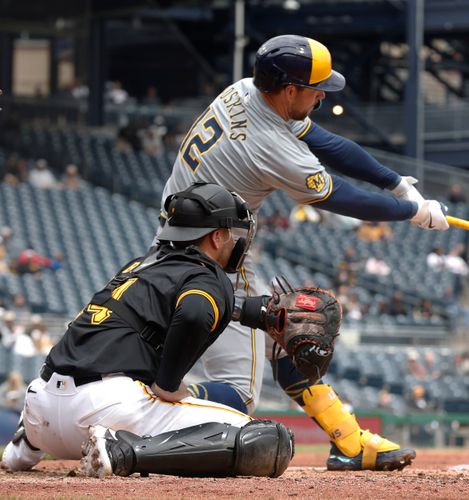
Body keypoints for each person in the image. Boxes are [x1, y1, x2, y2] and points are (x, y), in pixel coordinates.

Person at [157, 34, 443, 471]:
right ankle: (141, 417)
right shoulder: (270, 145)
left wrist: (395, 181)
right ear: (290, 89)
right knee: (238, 395)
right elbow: (340, 197)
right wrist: (412, 211)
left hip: (177, 243)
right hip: (215, 260)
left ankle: (348, 441)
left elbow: (325, 143)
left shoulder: (245, 91)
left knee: (290, 329)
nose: (321, 99)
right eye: (316, 91)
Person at [0, 183, 294, 478]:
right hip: (106, 410)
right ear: (216, 237)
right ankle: (122, 451)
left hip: (41, 407)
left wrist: (255, 313)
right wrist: (167, 384)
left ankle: (20, 450)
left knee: (219, 402)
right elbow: (193, 314)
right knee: (270, 440)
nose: (234, 240)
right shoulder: (207, 275)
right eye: (230, 232)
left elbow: (169, 307)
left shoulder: (139, 267)